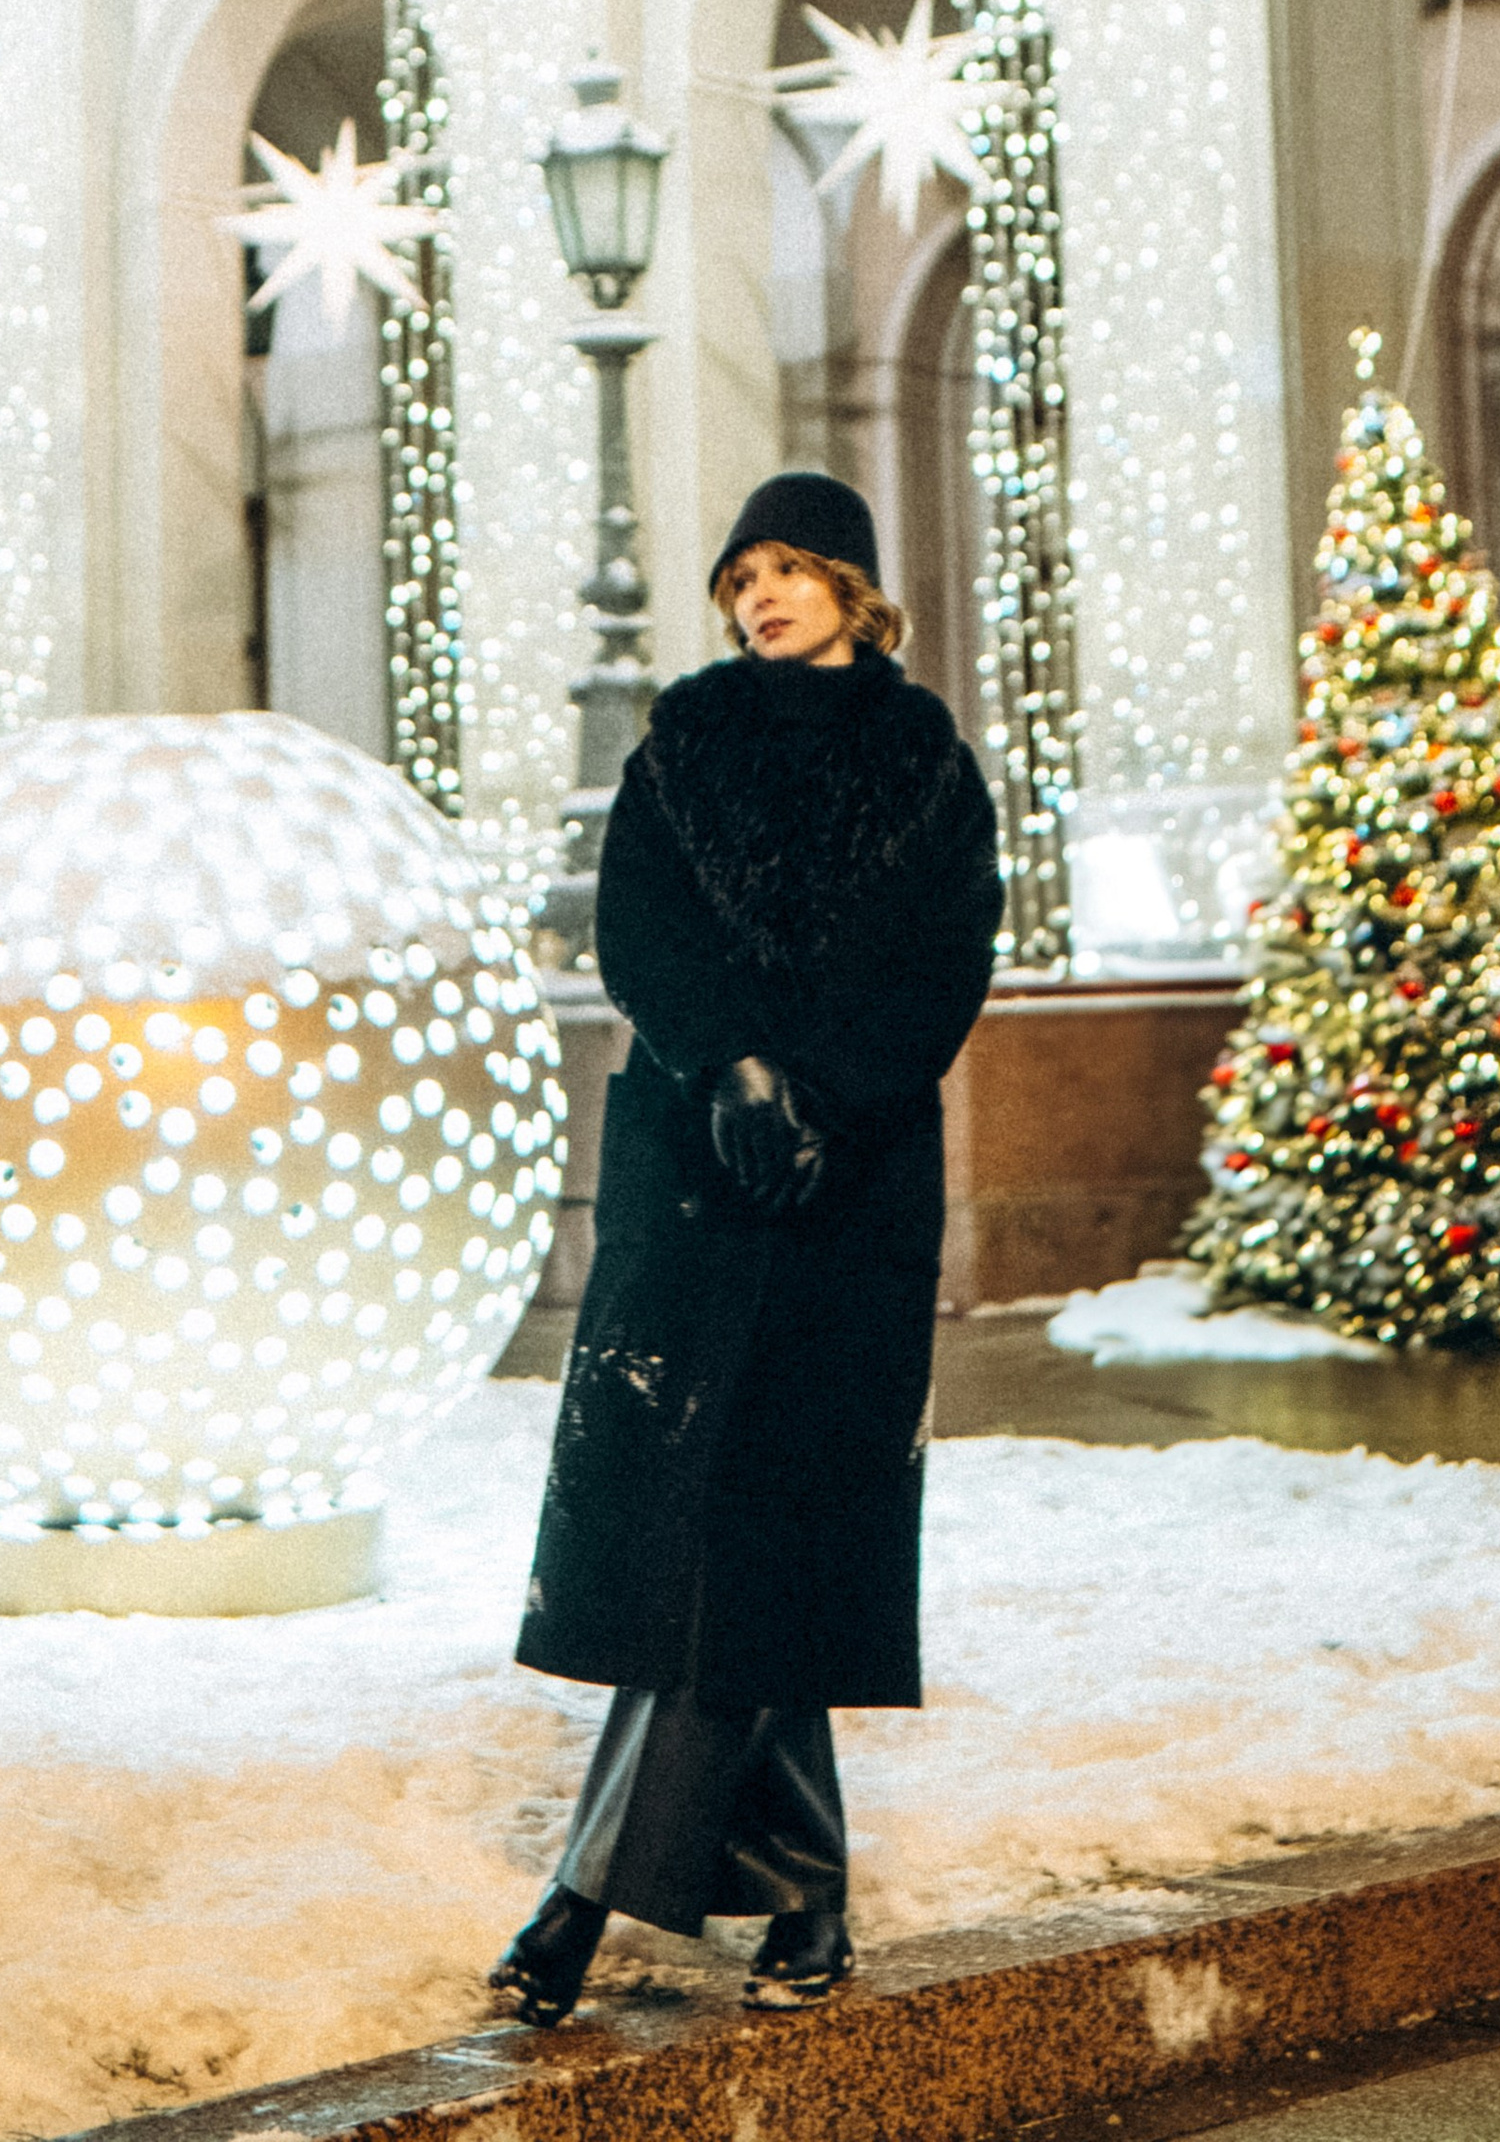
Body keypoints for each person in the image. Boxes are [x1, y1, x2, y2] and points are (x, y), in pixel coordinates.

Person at [488, 469, 1003, 2025]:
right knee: (715, 1541)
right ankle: (801, 1903)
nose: (759, 597)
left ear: (854, 587)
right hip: (696, 1184)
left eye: (787, 569)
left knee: (767, 1535)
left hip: (850, 1193)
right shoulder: (683, 746)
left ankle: (583, 1904)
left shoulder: (927, 762)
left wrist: (823, 1091)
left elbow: (945, 964)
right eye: (740, 578)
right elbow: (640, 934)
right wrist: (733, 1067)